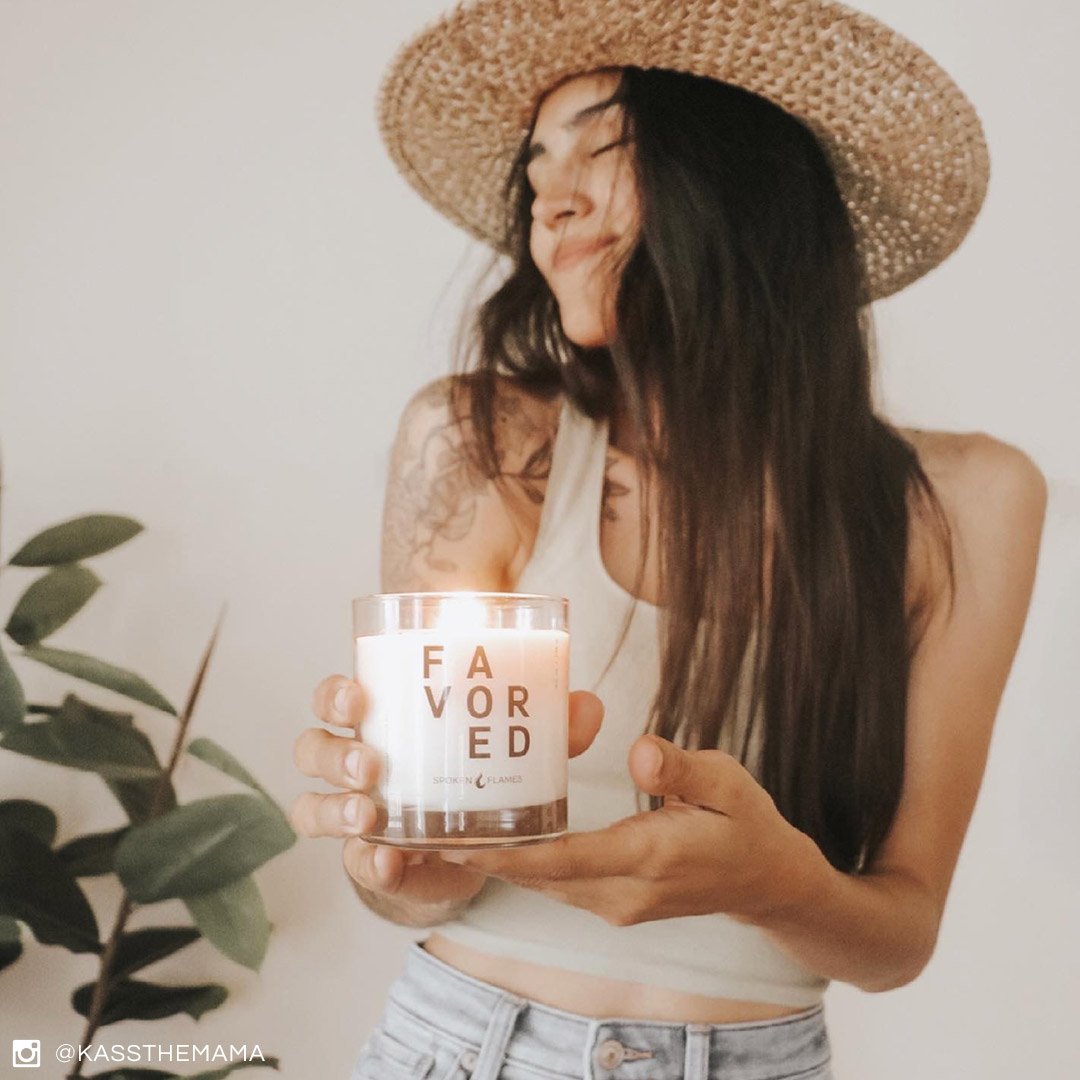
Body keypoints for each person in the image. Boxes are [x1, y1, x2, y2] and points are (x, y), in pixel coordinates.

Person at [291, 2, 1048, 1077]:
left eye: (604, 145)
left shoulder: (969, 501)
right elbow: (419, 849)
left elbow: (900, 935)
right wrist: (403, 866)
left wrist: (773, 882)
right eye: (537, 168)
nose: (551, 199)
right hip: (462, 1045)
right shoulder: (481, 441)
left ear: (738, 177)